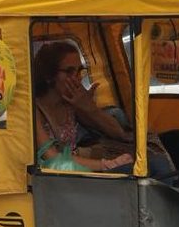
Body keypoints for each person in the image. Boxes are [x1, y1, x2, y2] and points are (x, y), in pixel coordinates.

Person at [33, 42, 134, 173]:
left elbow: (118, 133)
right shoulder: (34, 110)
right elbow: (52, 158)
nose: (77, 78)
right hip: (55, 175)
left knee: (154, 163)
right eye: (69, 71)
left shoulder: (71, 102)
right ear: (48, 76)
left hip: (78, 166)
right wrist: (107, 164)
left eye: (80, 70)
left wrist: (89, 108)